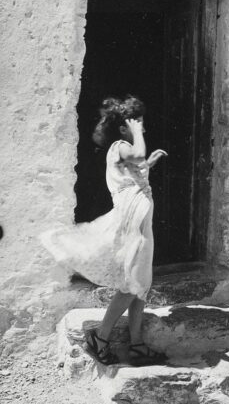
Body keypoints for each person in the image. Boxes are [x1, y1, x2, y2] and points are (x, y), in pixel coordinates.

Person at [40, 95, 167, 366]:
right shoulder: (122, 145)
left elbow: (136, 168)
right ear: (123, 129)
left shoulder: (123, 152)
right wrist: (138, 140)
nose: (141, 128)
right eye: (137, 124)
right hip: (132, 225)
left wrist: (149, 165)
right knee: (133, 284)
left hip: (141, 223)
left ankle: (137, 346)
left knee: (140, 286)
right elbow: (137, 156)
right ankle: (101, 337)